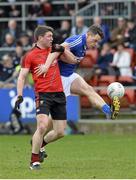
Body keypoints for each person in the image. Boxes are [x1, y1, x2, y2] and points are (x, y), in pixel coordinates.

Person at [35, 25, 120, 162]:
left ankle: (108, 111)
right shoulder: (76, 40)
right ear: (88, 35)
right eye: (95, 40)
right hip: (59, 79)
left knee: (89, 90)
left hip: (70, 76)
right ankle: (38, 143)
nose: (95, 44)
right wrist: (46, 65)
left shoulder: (85, 45)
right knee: (58, 128)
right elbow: (56, 49)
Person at [14, 25, 79, 170]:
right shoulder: (29, 55)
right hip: (43, 95)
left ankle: (39, 144)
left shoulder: (54, 49)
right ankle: (34, 160)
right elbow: (22, 77)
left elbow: (73, 61)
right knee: (42, 125)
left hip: (59, 94)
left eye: (52, 36)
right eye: (49, 36)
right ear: (40, 38)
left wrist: (63, 49)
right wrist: (19, 95)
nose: (52, 38)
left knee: (60, 132)